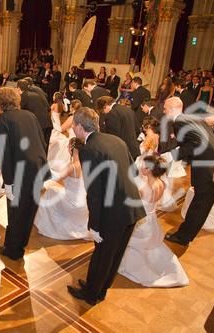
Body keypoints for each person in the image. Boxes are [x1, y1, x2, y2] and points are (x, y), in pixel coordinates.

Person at [67, 107, 145, 306]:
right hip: (132, 207)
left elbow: (94, 193)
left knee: (103, 254)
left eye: (74, 125)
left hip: (113, 213)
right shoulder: (116, 140)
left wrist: (95, 225)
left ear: (78, 126)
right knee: (115, 254)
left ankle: (92, 295)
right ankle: (99, 289)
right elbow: (133, 172)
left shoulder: (88, 150)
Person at [0, 87, 48, 260]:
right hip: (38, 169)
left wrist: (8, 182)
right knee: (29, 211)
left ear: (0, 103)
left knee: (16, 213)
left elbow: (4, 154)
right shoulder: (29, 115)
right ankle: (19, 245)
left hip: (19, 174)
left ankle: (13, 250)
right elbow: (43, 142)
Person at [118, 154, 189, 287]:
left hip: (141, 223)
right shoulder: (161, 183)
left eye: (144, 166)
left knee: (133, 245)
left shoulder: (143, 189)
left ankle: (140, 269)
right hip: (152, 220)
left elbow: (130, 205)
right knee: (151, 246)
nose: (141, 168)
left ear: (149, 170)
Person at [163, 97, 214, 246]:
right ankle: (185, 234)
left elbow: (196, 145)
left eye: (165, 108)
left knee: (199, 206)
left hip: (208, 169)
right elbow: (211, 137)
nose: (164, 111)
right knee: (202, 205)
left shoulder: (179, 122)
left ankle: (183, 237)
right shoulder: (191, 118)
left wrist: (172, 155)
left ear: (171, 109)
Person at [34, 138, 92, 241]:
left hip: (74, 204)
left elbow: (56, 177)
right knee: (55, 191)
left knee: (50, 192)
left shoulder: (73, 166)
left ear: (72, 149)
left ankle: (46, 225)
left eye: (68, 146)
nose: (67, 148)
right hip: (85, 204)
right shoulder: (88, 164)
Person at [17, 79, 53, 152]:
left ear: (18, 88)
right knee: (44, 148)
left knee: (36, 148)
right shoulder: (35, 94)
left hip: (38, 125)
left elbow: (19, 113)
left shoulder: (23, 97)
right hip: (48, 123)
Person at [47, 92, 75, 174]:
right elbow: (66, 110)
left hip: (54, 122)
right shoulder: (61, 105)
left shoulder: (54, 105)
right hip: (58, 121)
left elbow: (49, 113)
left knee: (53, 137)